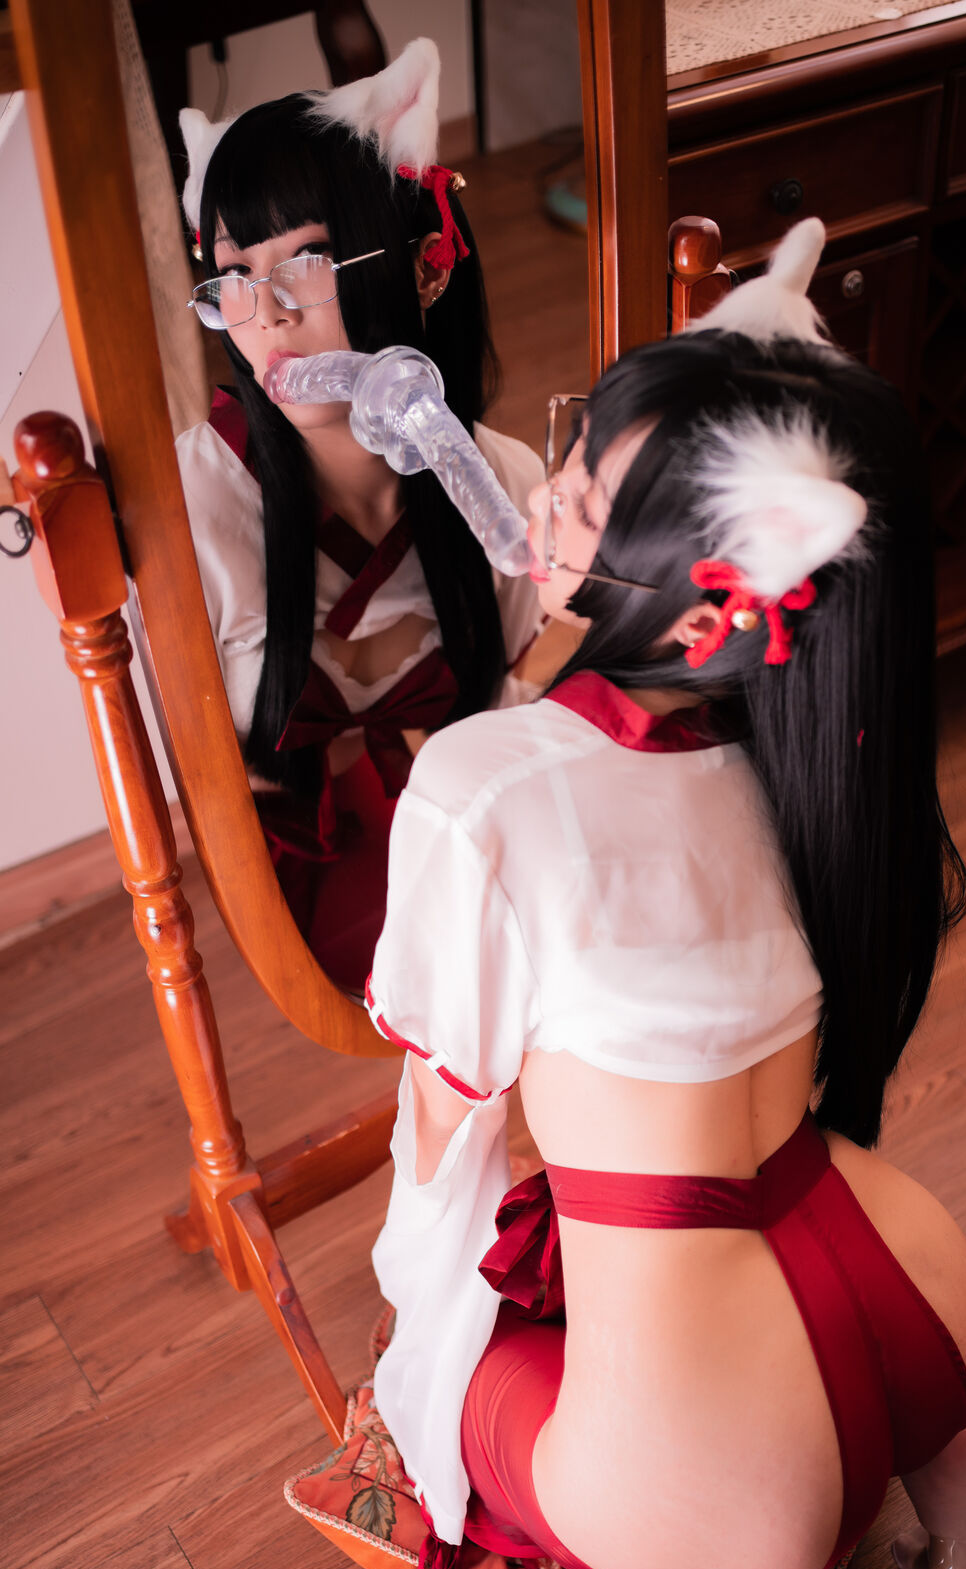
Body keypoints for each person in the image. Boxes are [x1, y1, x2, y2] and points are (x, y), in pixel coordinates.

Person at [365, 220, 966, 1569]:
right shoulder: (810, 754)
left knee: (447, 1376)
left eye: (580, 493)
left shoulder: (482, 785)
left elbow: (448, 1112)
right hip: (906, 1278)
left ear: (699, 601)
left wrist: (420, 1299)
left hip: (710, 1447)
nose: (541, 498)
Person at [174, 40, 574, 988]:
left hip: (460, 844)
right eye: (234, 275)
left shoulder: (501, 483)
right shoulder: (194, 505)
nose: (267, 316)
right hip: (287, 888)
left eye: (308, 260)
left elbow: (516, 724)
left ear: (419, 269)